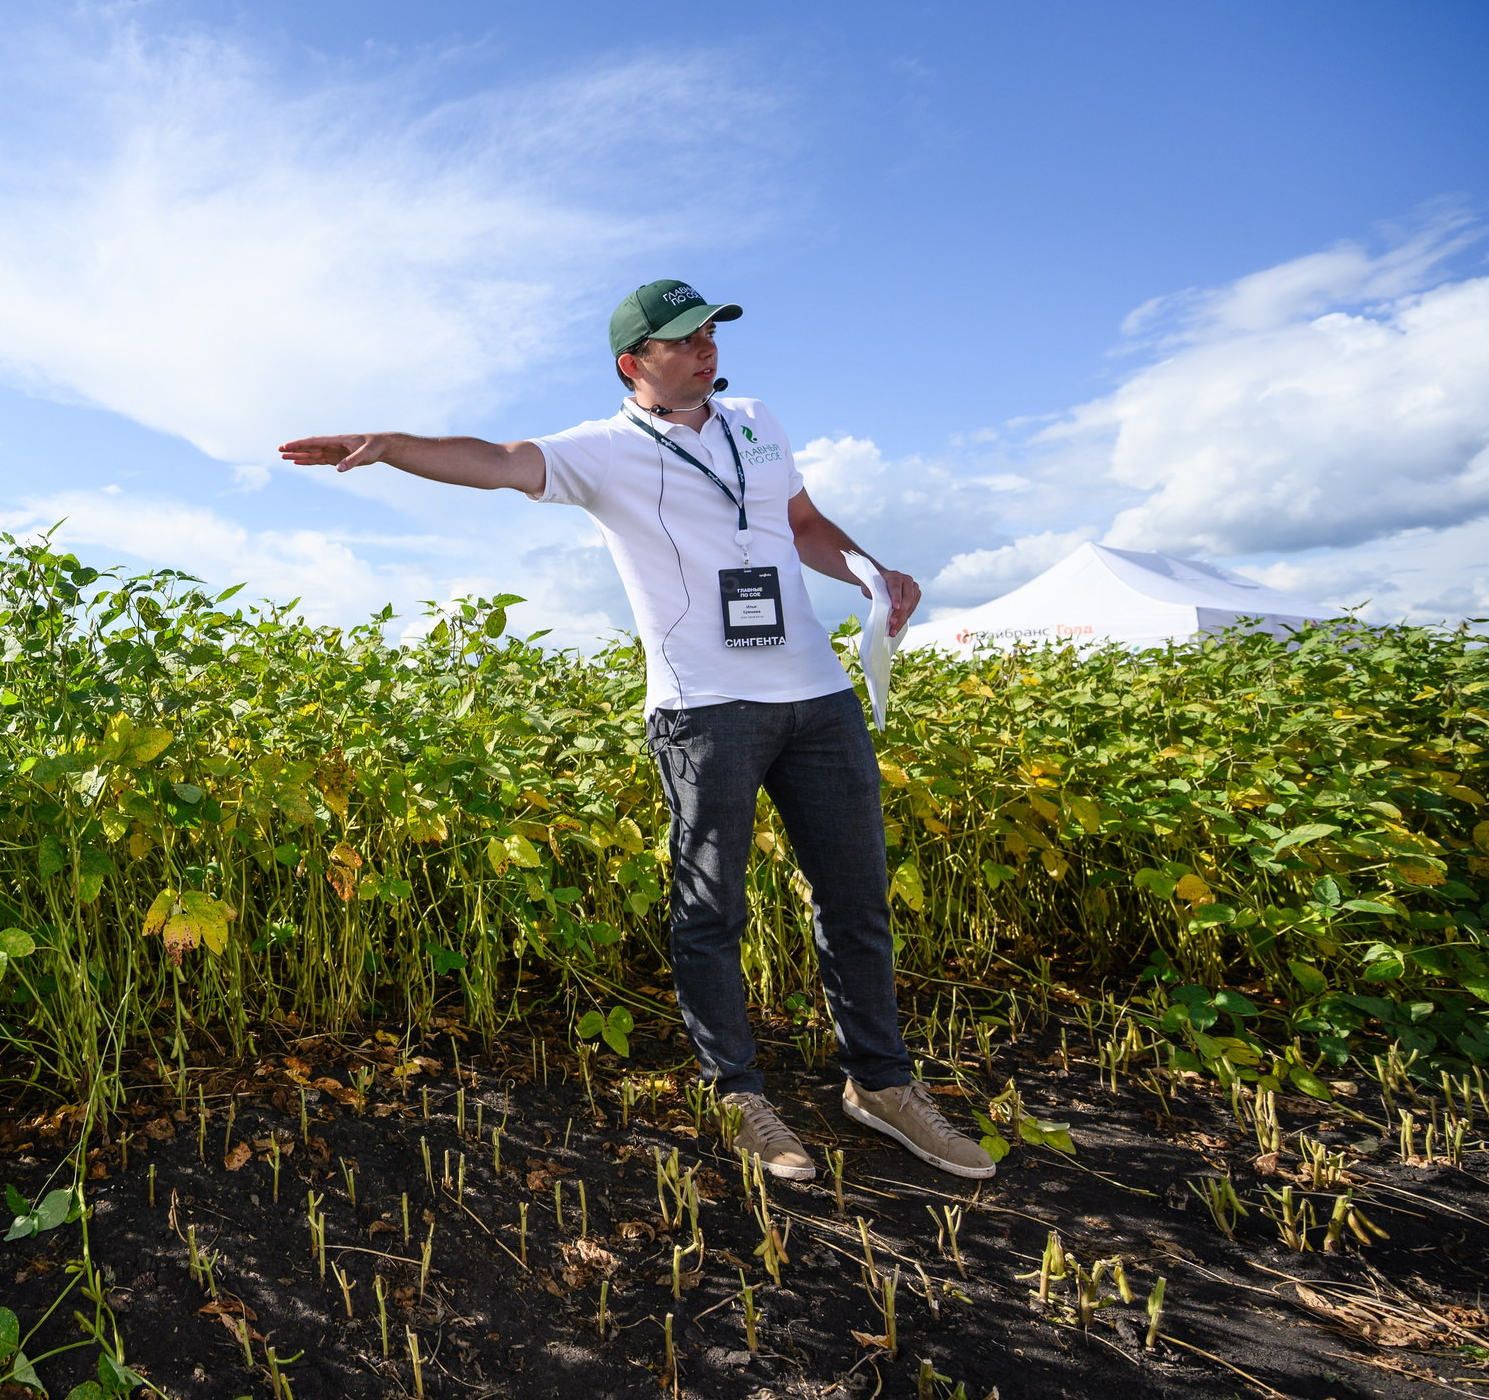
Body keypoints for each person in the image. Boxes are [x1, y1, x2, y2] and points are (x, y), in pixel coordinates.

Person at [278, 278, 997, 1182]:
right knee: (711, 907)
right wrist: (390, 448)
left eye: (710, 331)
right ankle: (740, 1092)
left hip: (818, 695)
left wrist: (869, 570)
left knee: (855, 895)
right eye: (684, 338)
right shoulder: (605, 453)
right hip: (704, 710)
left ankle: (881, 1085)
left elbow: (803, 523)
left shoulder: (759, 422)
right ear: (634, 363)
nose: (707, 347)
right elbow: (497, 457)